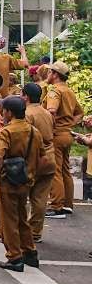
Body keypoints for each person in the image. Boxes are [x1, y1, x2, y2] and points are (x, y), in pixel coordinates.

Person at [0, 96, 42, 272]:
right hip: (26, 180)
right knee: (22, 217)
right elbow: (40, 155)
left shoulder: (7, 131)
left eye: (4, 110)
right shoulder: (33, 131)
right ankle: (30, 252)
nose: (3, 113)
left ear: (9, 112)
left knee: (8, 221)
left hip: (9, 181)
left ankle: (14, 256)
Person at [44, 61, 82, 218]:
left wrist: (50, 127)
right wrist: (68, 124)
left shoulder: (55, 91)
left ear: (55, 75)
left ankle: (57, 206)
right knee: (65, 169)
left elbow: (51, 110)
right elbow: (80, 113)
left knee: (55, 170)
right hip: (67, 134)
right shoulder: (69, 91)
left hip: (56, 135)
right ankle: (67, 204)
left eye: (49, 72)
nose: (47, 75)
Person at [22, 83, 55, 242]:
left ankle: (15, 231)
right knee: (40, 199)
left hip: (34, 158)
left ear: (26, 97)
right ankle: (35, 232)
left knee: (19, 197)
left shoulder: (27, 114)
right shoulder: (47, 113)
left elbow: (25, 139)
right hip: (49, 157)